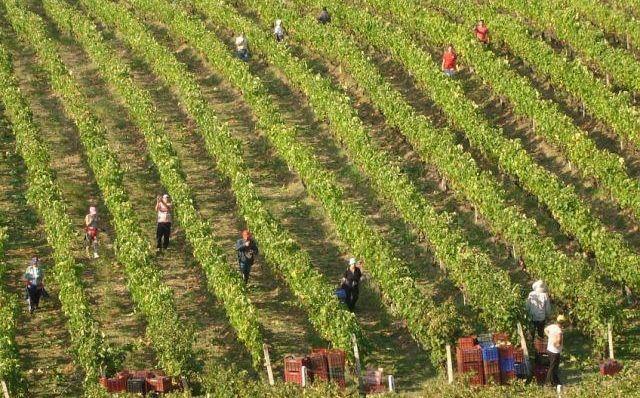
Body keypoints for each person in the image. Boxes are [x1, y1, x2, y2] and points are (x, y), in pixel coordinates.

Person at [544, 315, 565, 387]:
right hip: (555, 352)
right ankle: (547, 382)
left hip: (549, 349)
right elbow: (558, 343)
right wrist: (557, 344)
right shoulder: (559, 331)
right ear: (562, 323)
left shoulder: (552, 326)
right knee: (553, 367)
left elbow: (545, 329)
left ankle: (555, 381)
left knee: (553, 367)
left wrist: (549, 336)